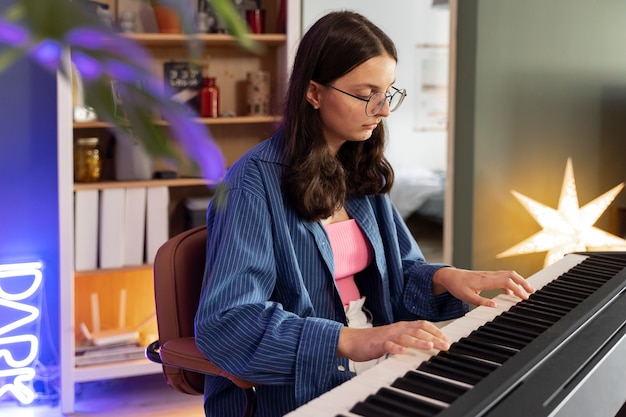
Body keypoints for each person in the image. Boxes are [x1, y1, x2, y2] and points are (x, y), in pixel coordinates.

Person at [194, 10, 534, 417]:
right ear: (314, 93)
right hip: (306, 386)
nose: (384, 109)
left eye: (388, 92)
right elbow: (228, 323)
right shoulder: (252, 184)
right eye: (366, 93)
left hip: (375, 362)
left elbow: (400, 273)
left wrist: (449, 278)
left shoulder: (356, 169)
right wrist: (352, 340)